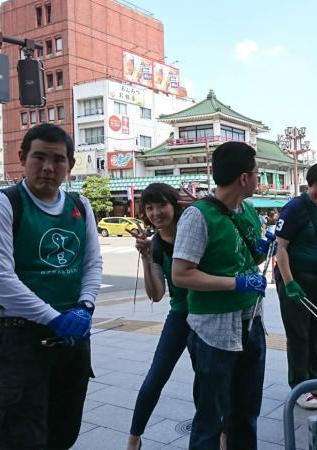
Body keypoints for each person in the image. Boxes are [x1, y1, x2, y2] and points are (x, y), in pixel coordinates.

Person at [0, 123, 102, 449]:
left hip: (73, 338)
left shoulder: (80, 206)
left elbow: (91, 264)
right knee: (22, 435)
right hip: (20, 339)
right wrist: (54, 318)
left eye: (58, 159)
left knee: (64, 430)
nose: (48, 167)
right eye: (39, 157)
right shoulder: (1, 205)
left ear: (70, 165)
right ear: (22, 157)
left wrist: (85, 306)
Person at [172, 141, 273, 450]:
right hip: (213, 332)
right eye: (257, 173)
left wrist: (260, 252)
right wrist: (236, 284)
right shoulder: (197, 216)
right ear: (244, 178)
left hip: (251, 324)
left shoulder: (249, 211)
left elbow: (245, 260)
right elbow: (181, 274)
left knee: (246, 413)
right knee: (210, 417)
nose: (260, 179)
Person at [126, 183, 188, 450]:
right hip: (180, 316)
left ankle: (222, 437)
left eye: (161, 205)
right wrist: (146, 256)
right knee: (154, 378)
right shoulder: (157, 246)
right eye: (149, 208)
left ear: (174, 205)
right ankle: (133, 440)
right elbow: (156, 294)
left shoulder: (192, 233)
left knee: (210, 382)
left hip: (207, 315)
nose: (155, 213)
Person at [274, 163, 317, 410]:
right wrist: (289, 283)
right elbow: (281, 248)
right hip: (295, 283)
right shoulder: (294, 208)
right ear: (309, 184)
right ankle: (299, 386)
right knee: (299, 335)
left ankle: (312, 379)